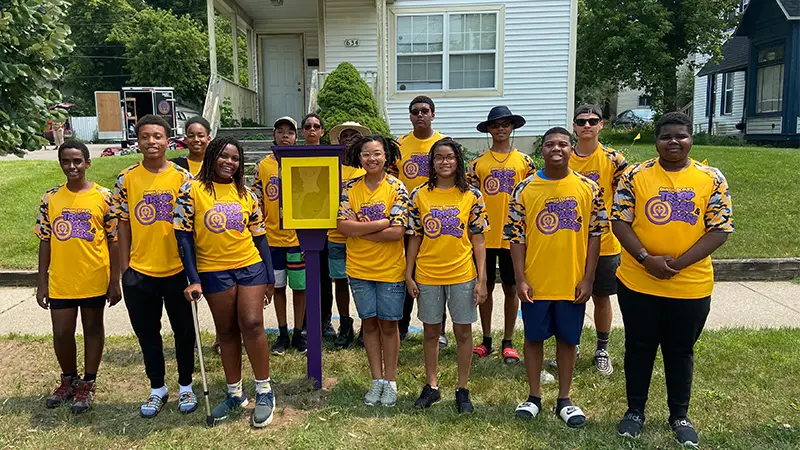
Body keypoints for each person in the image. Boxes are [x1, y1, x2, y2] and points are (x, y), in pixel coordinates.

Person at [612, 112, 733, 447]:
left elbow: (720, 229)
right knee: (639, 347)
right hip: (638, 282)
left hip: (690, 285)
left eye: (681, 136)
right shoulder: (635, 175)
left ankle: (679, 414)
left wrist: (677, 264)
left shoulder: (711, 177)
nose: (674, 142)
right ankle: (634, 411)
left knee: (680, 351)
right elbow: (619, 221)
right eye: (666, 137)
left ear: (691, 138)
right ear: (657, 141)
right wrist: (645, 259)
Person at [506, 127, 607, 429]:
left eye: (563, 144)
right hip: (536, 282)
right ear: (542, 150)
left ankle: (565, 398)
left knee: (567, 339)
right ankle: (534, 396)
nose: (556, 149)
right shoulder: (524, 189)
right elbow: (516, 238)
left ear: (571, 148)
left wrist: (588, 278)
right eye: (550, 144)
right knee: (533, 338)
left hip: (571, 281)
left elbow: (595, 237)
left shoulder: (589, 188)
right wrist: (521, 278)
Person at [174, 136, 277, 428]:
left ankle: (265, 391)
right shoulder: (191, 189)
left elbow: (260, 237)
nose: (229, 162)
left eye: (234, 158)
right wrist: (193, 279)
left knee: (252, 323)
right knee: (227, 330)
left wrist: (269, 276)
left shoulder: (246, 193)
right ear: (212, 156)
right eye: (224, 156)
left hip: (250, 266)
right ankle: (235, 393)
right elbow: (182, 236)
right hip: (213, 271)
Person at [111, 115, 197, 418]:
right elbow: (122, 223)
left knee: (184, 332)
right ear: (138, 141)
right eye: (145, 136)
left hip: (177, 271)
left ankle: (186, 385)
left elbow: (191, 225)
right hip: (140, 271)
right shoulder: (127, 179)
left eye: (157, 136)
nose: (151, 142)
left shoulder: (182, 178)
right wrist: (125, 269)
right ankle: (157, 388)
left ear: (168, 140)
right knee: (148, 333)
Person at [35, 140, 121, 414]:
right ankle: (68, 379)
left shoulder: (104, 197)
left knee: (93, 329)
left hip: (94, 276)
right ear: (60, 164)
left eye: (77, 161)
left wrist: (114, 280)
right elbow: (45, 240)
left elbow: (114, 240)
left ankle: (88, 383)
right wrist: (41, 282)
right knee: (61, 332)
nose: (72, 166)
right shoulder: (50, 198)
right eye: (66, 161)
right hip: (62, 279)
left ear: (87, 163)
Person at [407, 138, 488, 413]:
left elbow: (478, 239)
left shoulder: (472, 196)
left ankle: (462, 388)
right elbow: (415, 237)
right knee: (431, 332)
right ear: (431, 162)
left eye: (450, 157)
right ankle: (431, 386)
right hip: (428, 274)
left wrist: (482, 278)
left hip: (462, 273)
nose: (444, 162)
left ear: (458, 161)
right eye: (439, 157)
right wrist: (409, 274)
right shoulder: (420, 194)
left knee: (463, 332)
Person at [337, 135, 408, 407]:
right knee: (368, 322)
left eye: (377, 153)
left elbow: (398, 231)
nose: (372, 159)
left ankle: (390, 381)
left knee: (388, 325)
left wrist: (361, 229)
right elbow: (343, 227)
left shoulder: (396, 187)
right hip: (359, 268)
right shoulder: (350, 188)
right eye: (366, 154)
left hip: (390, 269)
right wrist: (381, 222)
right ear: (359, 157)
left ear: (386, 156)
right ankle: (376, 380)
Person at [467, 106, 537, 368]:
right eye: (495, 125)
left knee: (511, 288)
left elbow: (532, 197)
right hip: (484, 236)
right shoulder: (477, 164)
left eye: (505, 124)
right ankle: (486, 339)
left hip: (513, 236)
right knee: (484, 289)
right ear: (488, 129)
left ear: (512, 128)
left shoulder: (524, 162)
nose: (501, 129)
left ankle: (508, 340)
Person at [568, 104, 628, 375]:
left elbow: (627, 195)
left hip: (604, 241)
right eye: (581, 121)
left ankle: (602, 348)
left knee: (601, 296)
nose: (587, 126)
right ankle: (572, 345)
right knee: (571, 296)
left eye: (593, 121)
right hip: (569, 241)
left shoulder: (614, 159)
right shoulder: (565, 156)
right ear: (574, 126)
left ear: (601, 125)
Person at [395, 95, 448, 346]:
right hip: (407, 221)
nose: (420, 115)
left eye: (425, 111)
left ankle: (440, 331)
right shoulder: (400, 144)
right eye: (415, 111)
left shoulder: (444, 143)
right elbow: (392, 180)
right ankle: (402, 326)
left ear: (433, 115)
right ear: (410, 116)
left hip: (439, 218)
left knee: (439, 275)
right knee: (407, 272)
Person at [252, 116, 307, 355]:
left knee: (300, 287)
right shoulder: (263, 166)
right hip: (272, 239)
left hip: (298, 240)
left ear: (296, 137)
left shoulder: (305, 163)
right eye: (280, 131)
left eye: (290, 132)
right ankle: (283, 332)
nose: (285, 135)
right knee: (278, 287)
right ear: (273, 135)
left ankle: (299, 332)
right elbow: (257, 199)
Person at [326, 121, 369, 349]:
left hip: (361, 235)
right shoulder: (331, 166)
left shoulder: (366, 168)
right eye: (345, 135)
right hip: (335, 234)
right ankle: (345, 324)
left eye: (355, 135)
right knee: (340, 281)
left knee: (362, 282)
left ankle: (366, 325)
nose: (350, 138)